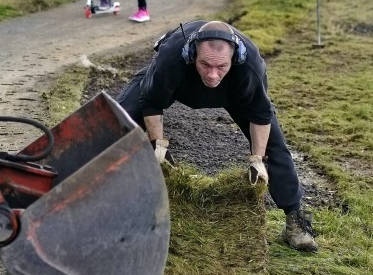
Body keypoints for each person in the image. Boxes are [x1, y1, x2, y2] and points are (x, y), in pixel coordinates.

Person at [117, 19, 319, 253]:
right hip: (181, 84)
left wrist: (257, 161)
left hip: (233, 93)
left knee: (276, 147)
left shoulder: (250, 65)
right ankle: (100, 193)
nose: (212, 75)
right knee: (118, 119)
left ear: (235, 58)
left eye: (221, 66)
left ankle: (296, 222)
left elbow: (261, 114)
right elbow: (151, 102)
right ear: (192, 54)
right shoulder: (171, 57)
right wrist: (158, 145)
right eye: (206, 64)